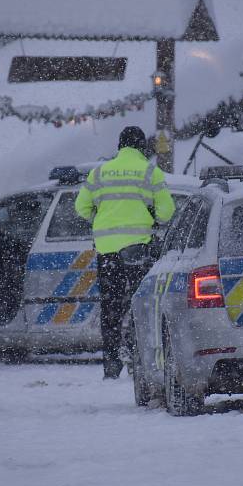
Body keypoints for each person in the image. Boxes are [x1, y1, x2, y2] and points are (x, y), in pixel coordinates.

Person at [75, 126, 176, 379]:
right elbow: (167, 212)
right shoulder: (150, 172)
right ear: (142, 147)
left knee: (111, 308)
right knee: (139, 305)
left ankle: (111, 363)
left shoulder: (99, 173)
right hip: (138, 251)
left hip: (107, 252)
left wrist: (101, 217)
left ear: (119, 146)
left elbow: (80, 208)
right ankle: (138, 357)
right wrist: (151, 215)